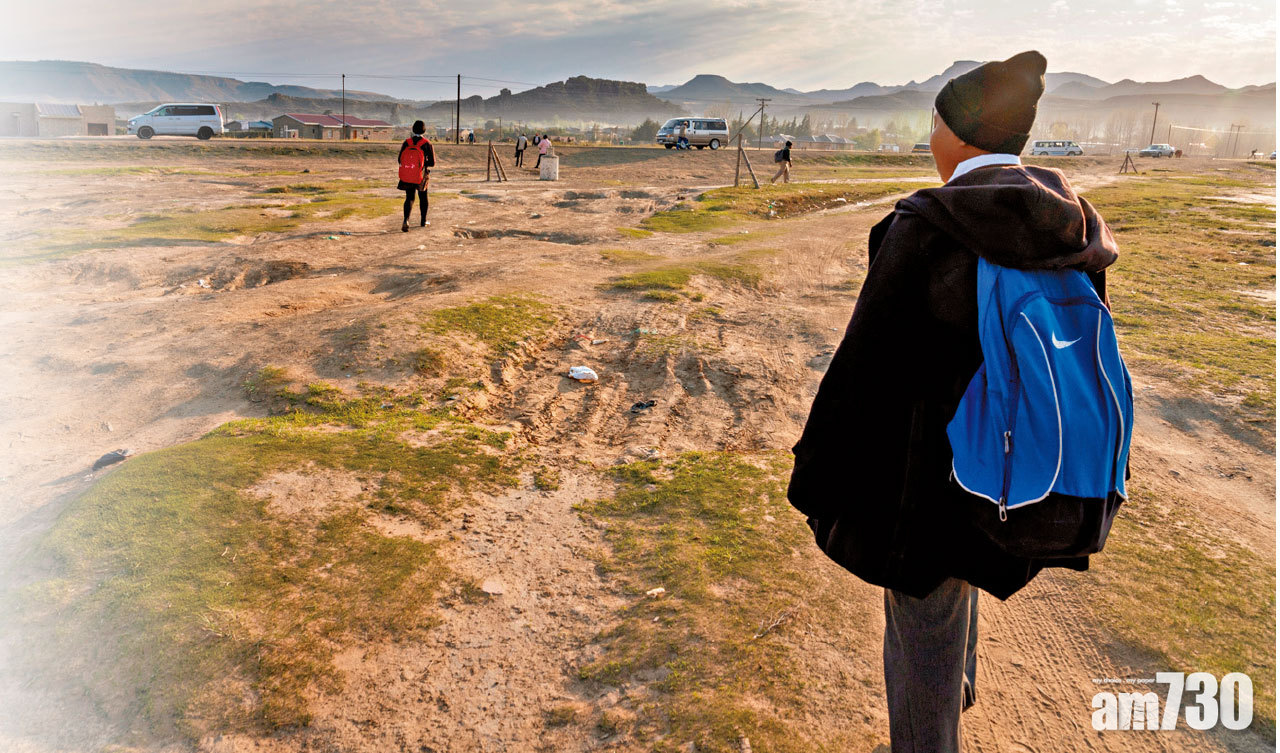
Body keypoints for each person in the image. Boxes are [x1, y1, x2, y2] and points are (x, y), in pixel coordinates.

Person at [787, 51, 1119, 753]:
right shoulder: (1069, 225)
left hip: (928, 491)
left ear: (960, 135)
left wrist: (816, 472)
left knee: (921, 635)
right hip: (1018, 475)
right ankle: (960, 686)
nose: (929, 133)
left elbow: (865, 371)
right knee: (965, 578)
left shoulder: (930, 226)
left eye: (933, 120)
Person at [397, 120, 435, 232]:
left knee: (409, 198)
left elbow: (399, 159)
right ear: (424, 130)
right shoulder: (427, 143)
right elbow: (432, 163)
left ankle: (406, 220)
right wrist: (422, 164)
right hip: (421, 175)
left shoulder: (407, 142)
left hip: (408, 173)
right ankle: (423, 221)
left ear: (413, 129)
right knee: (423, 197)